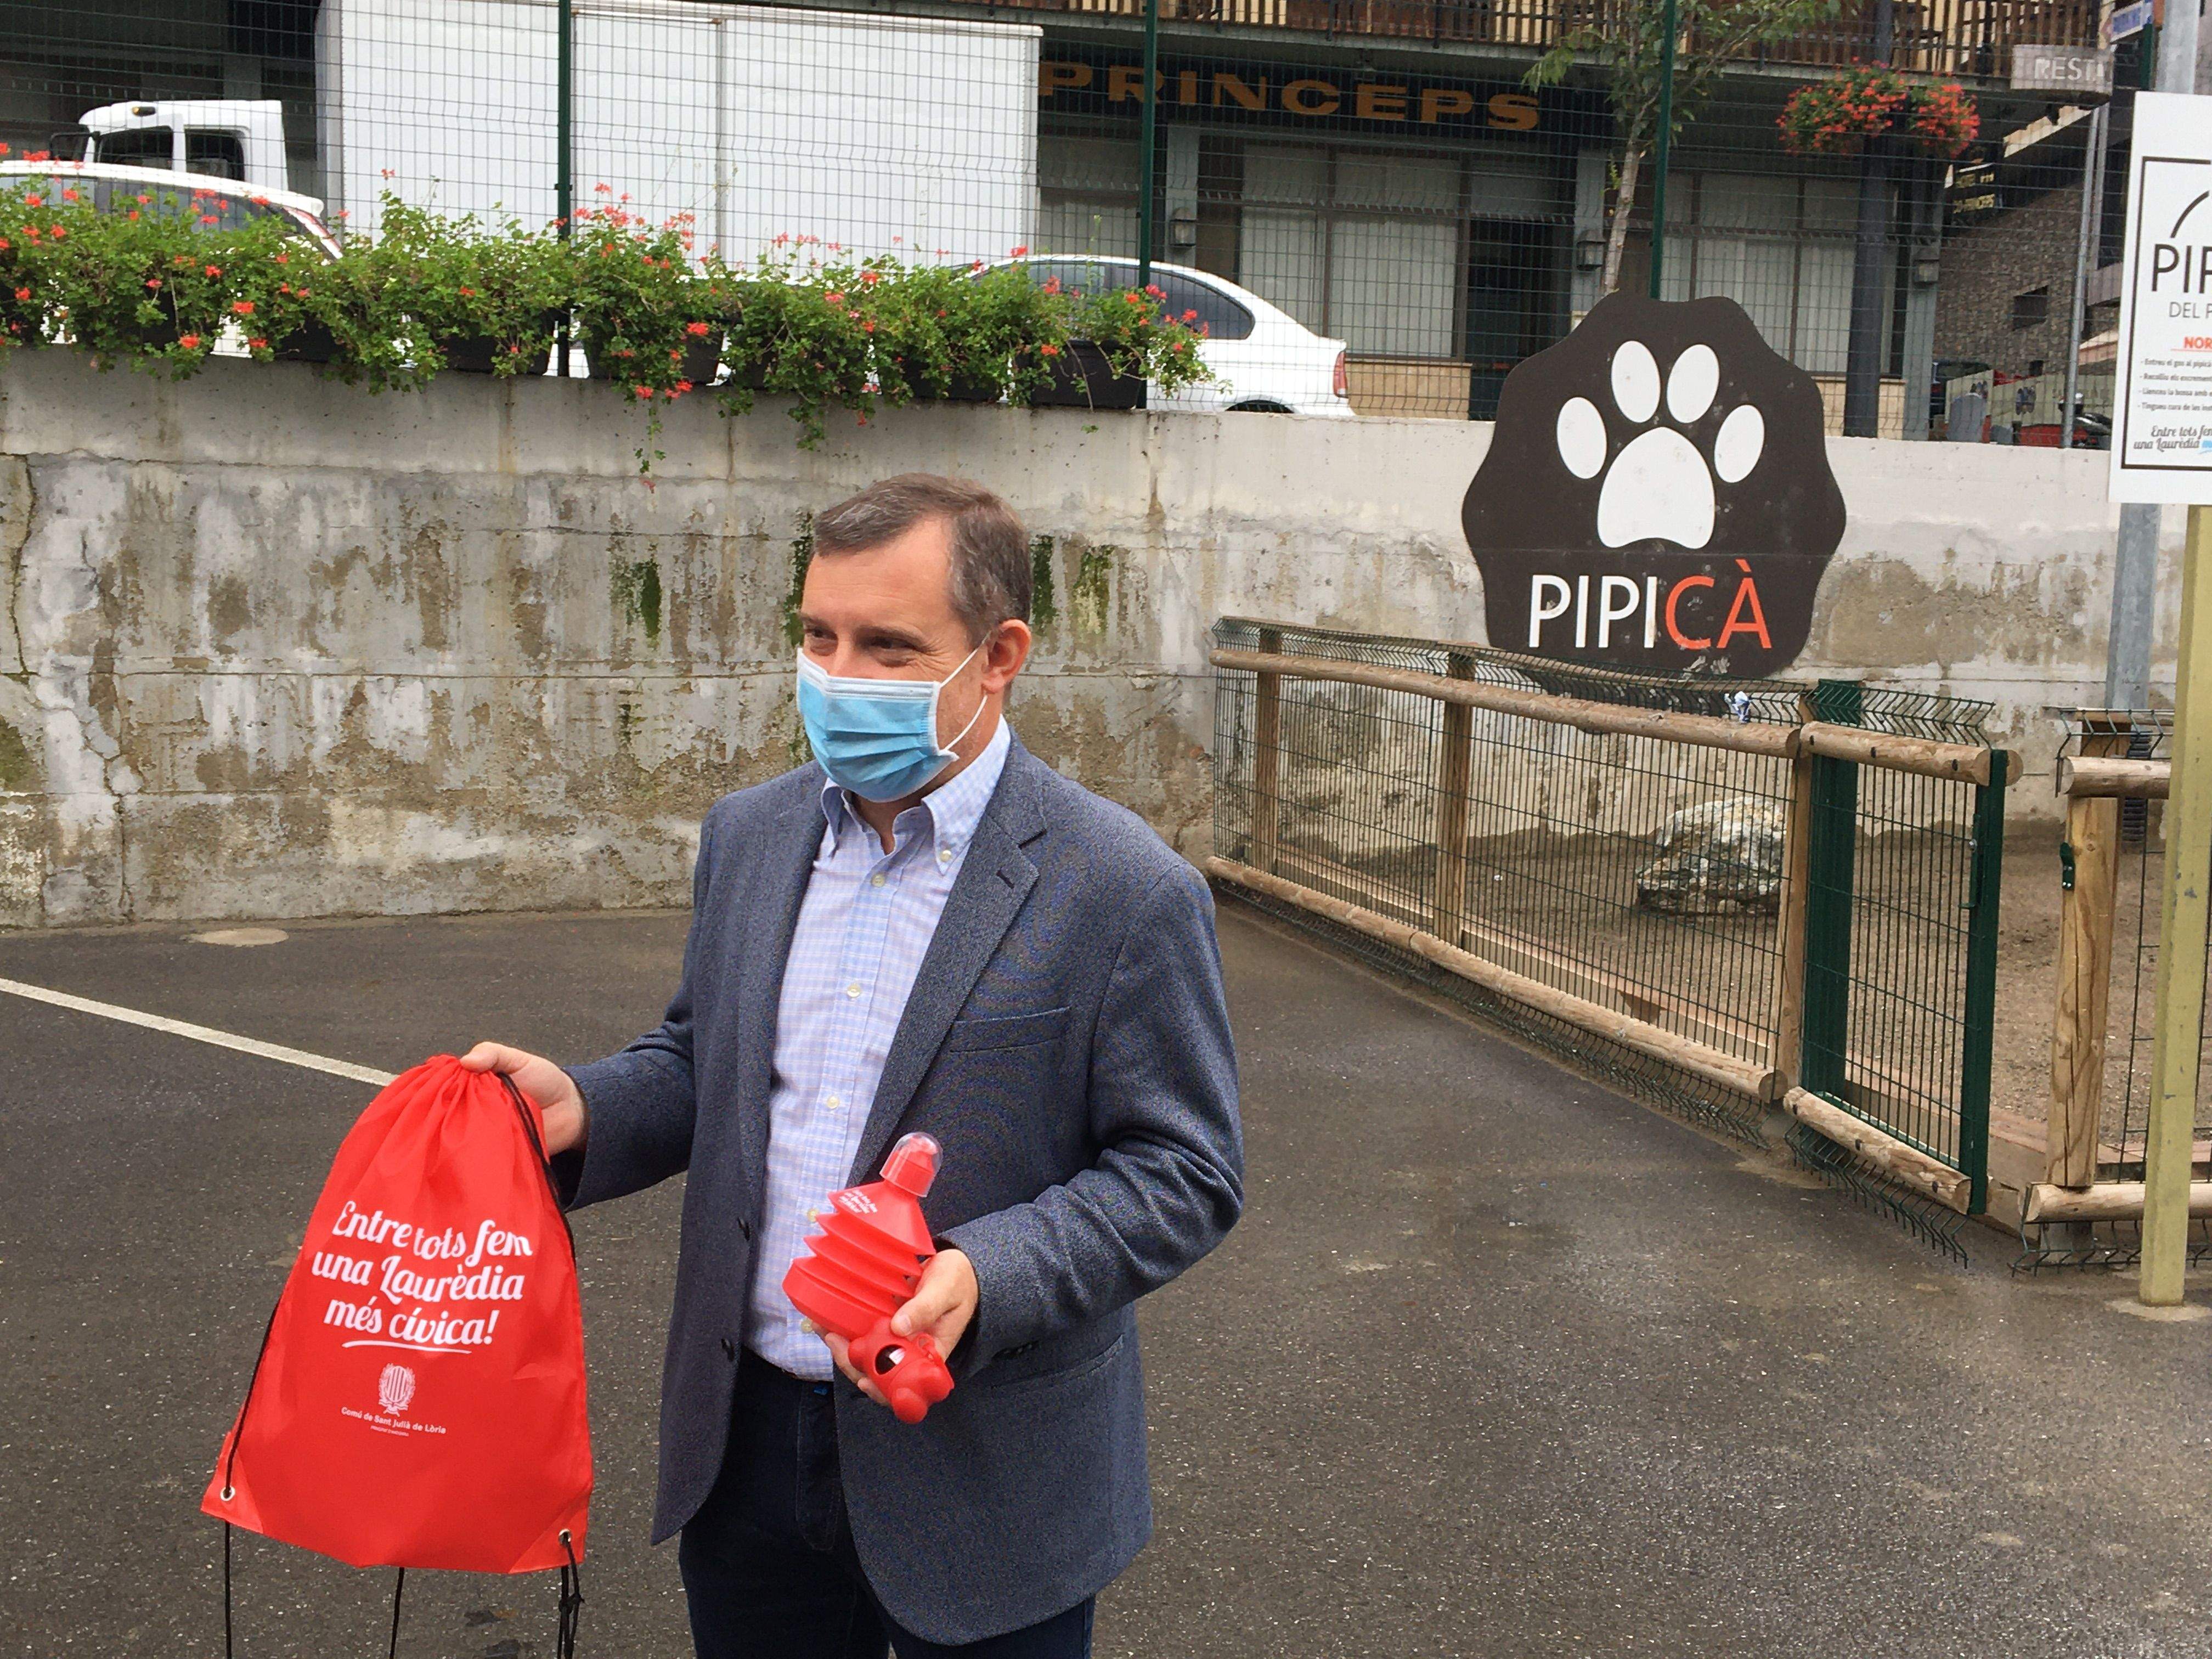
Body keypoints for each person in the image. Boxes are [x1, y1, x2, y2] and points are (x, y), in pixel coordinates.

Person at [463, 472, 1244, 1659]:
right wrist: (590, 1105)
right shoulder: (753, 834)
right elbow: (703, 1060)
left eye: (889, 647)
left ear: (999, 656)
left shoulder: (1125, 890)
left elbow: (1186, 1170)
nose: (838, 677)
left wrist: (987, 1271)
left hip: (988, 1473)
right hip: (749, 1447)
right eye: (818, 638)